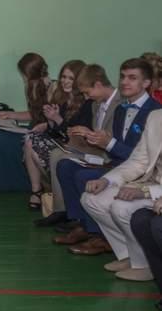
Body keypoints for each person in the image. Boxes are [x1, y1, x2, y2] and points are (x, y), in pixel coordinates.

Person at [53, 58, 162, 255]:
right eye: (122, 77)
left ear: (146, 83)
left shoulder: (155, 112)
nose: (124, 82)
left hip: (141, 176)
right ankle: (83, 224)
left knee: (84, 178)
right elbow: (118, 151)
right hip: (117, 165)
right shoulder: (121, 109)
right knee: (66, 165)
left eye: (132, 78)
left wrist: (108, 144)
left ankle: (100, 237)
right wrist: (98, 141)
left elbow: (144, 160)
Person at [35, 64, 119, 228]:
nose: (86, 97)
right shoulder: (95, 102)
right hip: (95, 147)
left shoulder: (117, 103)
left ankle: (74, 217)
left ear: (98, 85)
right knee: (57, 154)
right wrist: (81, 133)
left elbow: (109, 137)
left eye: (87, 92)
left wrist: (86, 133)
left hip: (106, 154)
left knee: (63, 159)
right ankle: (63, 210)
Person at [83, 110, 162, 281]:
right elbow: (139, 161)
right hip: (150, 182)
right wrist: (106, 180)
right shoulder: (156, 116)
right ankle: (130, 255)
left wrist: (146, 192)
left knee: (122, 207)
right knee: (92, 199)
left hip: (157, 191)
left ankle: (146, 264)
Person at [22, 60, 88, 210]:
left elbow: (74, 135)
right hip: (62, 143)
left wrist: (56, 119)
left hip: (77, 149)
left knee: (34, 144)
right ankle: (37, 191)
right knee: (30, 139)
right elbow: (56, 131)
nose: (65, 81)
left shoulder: (86, 102)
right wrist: (50, 122)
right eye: (63, 77)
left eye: (71, 78)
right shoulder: (63, 98)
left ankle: (52, 190)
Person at [0, 52, 51, 125]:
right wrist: (7, 114)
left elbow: (55, 120)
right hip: (36, 127)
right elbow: (33, 114)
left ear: (30, 74)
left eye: (23, 74)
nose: (23, 77)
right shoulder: (29, 87)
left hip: (48, 129)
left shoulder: (53, 88)